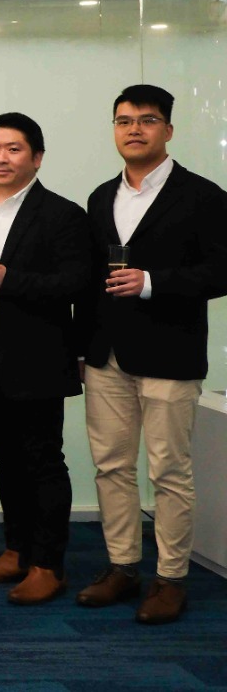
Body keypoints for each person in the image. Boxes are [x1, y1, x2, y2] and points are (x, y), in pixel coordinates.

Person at [77, 84, 227, 624]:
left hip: (170, 353)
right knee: (111, 466)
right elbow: (90, 280)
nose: (134, 129)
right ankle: (122, 567)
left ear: (168, 129)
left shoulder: (203, 196)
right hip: (106, 356)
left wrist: (152, 282)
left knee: (168, 471)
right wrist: (82, 347)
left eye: (146, 120)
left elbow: (221, 270)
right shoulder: (100, 197)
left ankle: (170, 578)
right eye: (124, 121)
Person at [0, 112, 90, 605]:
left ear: (36, 157)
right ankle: (16, 551)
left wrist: (10, 280)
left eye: (13, 149)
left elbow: (75, 283)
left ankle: (47, 565)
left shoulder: (62, 214)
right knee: (6, 458)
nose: (2, 158)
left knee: (42, 461)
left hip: (37, 358)